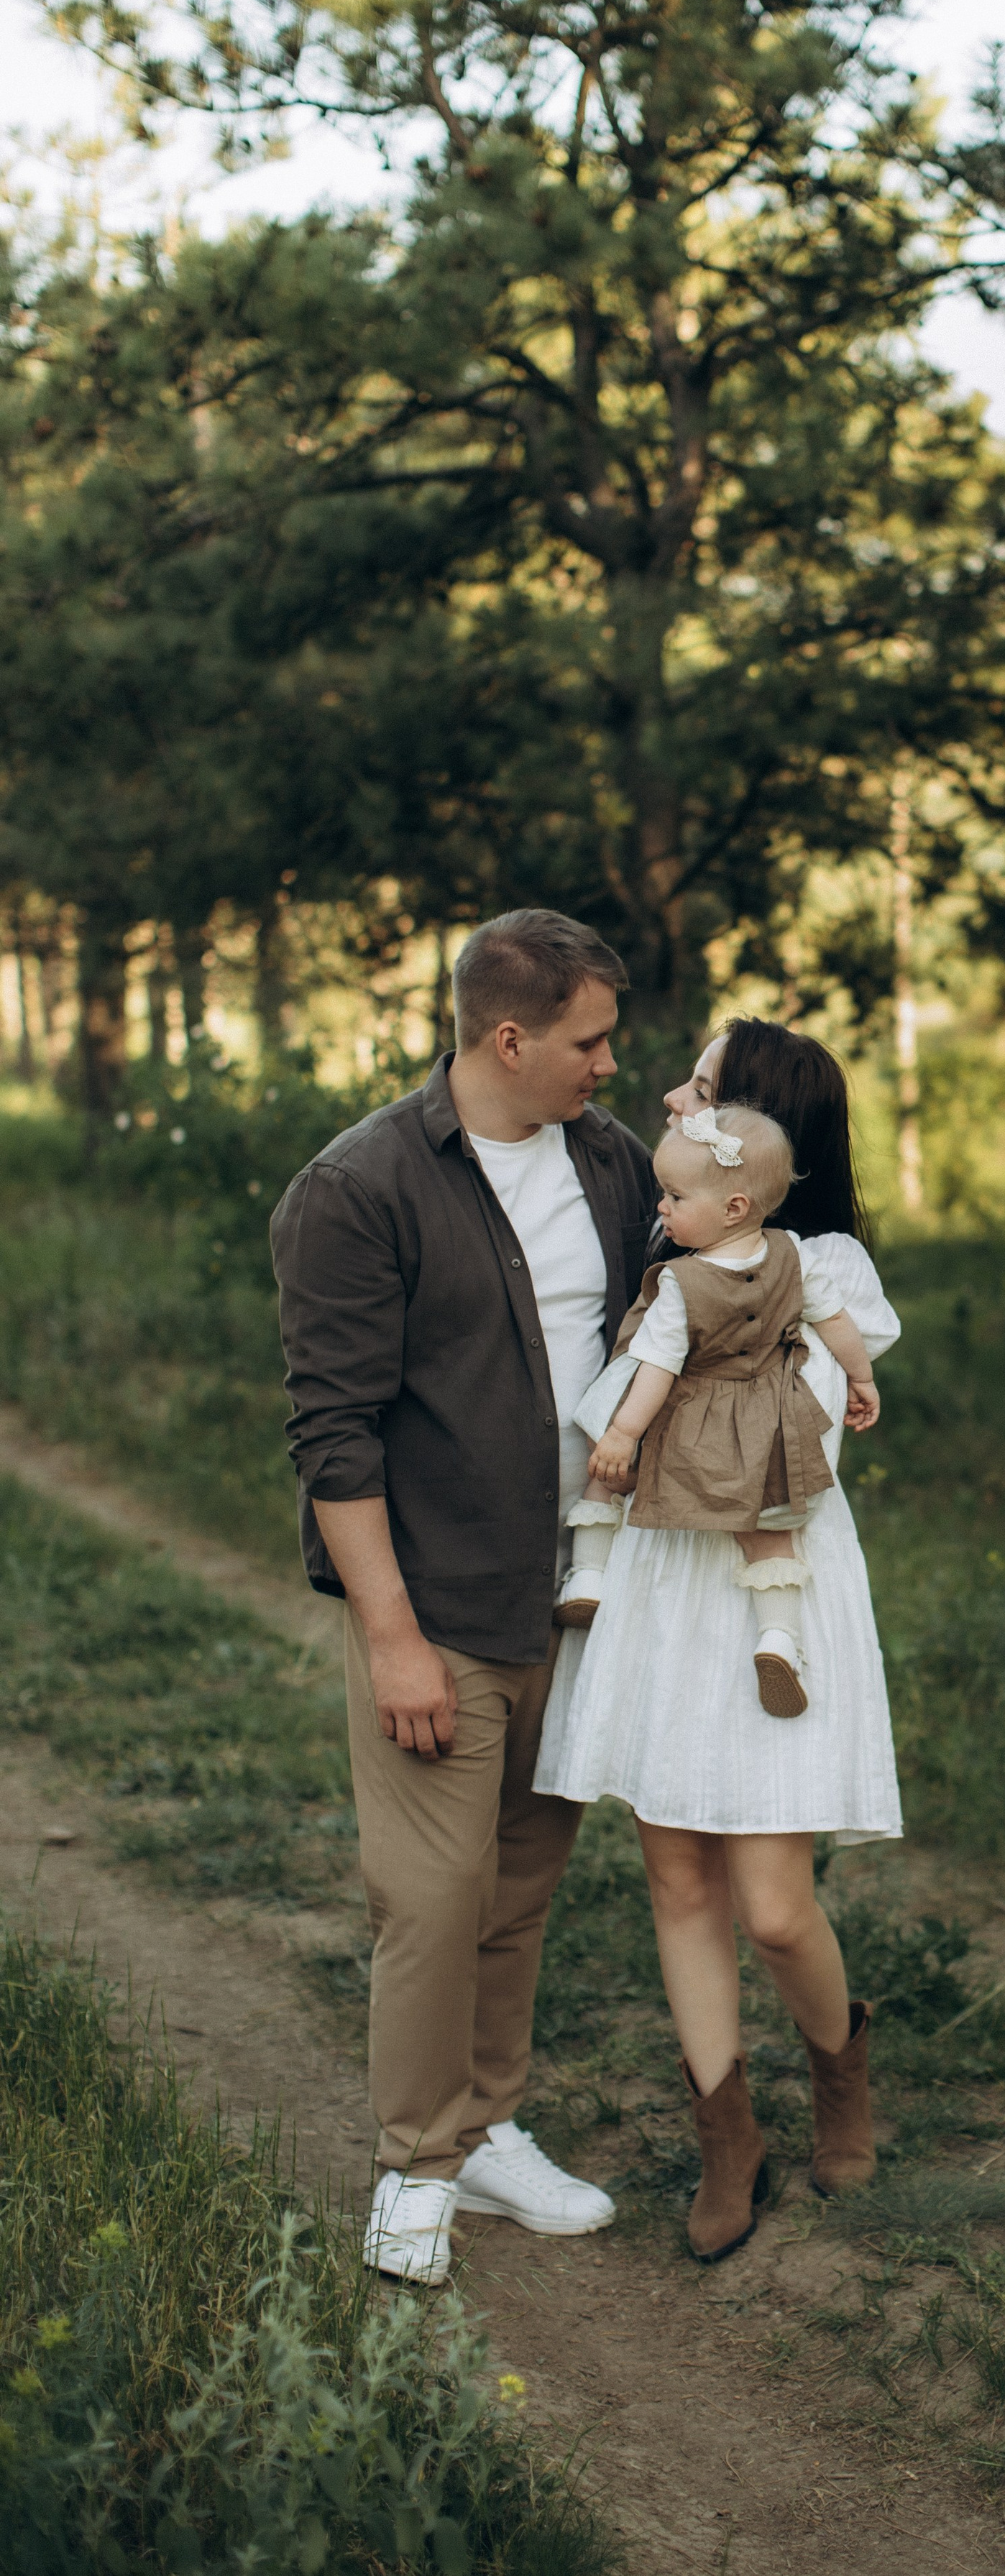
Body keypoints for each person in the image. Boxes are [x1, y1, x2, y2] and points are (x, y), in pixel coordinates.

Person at [270, 909, 658, 2286]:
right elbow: (335, 1438)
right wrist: (392, 1641)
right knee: (431, 1897)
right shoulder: (360, 1189)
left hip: (580, 1597)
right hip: (437, 1605)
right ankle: (416, 2168)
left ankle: (488, 2131)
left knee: (518, 1887)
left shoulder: (613, 1166)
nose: (610, 1063)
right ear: (511, 1037)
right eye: (590, 1038)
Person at [534, 1018, 901, 2263]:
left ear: (749, 1130)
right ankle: (726, 2133)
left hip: (765, 1573)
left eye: (695, 1083)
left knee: (776, 1905)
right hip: (664, 1576)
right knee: (678, 1875)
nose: (668, 1095)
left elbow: (799, 1430)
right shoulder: (673, 1240)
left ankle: (840, 2060)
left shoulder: (818, 1265)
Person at [563, 1103, 880, 1717]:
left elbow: (656, 1368)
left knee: (612, 1477)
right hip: (768, 1421)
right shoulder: (794, 1254)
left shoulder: (682, 1284)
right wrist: (862, 1378)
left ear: (733, 1207)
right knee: (768, 1534)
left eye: (675, 1197)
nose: (662, 1208)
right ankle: (779, 1639)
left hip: (691, 1416)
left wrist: (624, 1433)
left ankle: (588, 1578)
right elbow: (835, 1321)